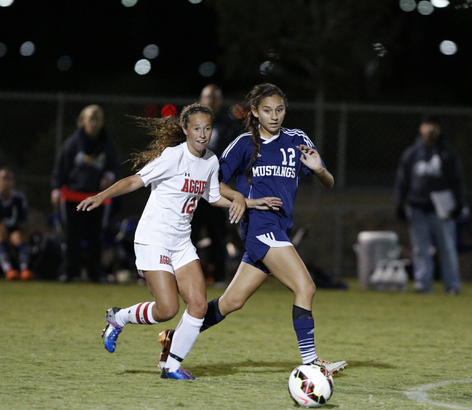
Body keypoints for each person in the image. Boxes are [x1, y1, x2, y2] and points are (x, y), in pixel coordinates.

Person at [77, 103, 280, 380]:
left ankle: (171, 365)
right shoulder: (173, 156)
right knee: (167, 309)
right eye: (196, 128)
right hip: (154, 239)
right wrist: (102, 196)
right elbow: (136, 180)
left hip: (181, 242)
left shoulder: (210, 160)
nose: (202, 134)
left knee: (197, 305)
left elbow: (211, 195)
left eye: (207, 128)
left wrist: (249, 202)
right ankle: (118, 317)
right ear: (185, 129)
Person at [158, 83, 347, 375]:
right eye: (267, 110)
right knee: (306, 287)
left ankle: (172, 340)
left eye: (280, 110)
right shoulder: (244, 144)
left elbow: (330, 183)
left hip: (279, 230)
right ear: (256, 113)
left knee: (231, 302)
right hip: (260, 230)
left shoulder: (297, 140)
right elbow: (210, 181)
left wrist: (320, 170)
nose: (275, 116)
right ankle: (312, 363)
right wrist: (244, 200)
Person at [393, 115, 468, 294]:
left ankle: (452, 285)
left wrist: (459, 203)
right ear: (421, 128)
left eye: (434, 125)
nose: (430, 129)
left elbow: (457, 181)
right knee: (420, 250)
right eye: (427, 125)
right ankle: (423, 284)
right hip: (417, 207)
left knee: (447, 248)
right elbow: (402, 181)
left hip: (441, 210)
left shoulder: (447, 154)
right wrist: (399, 204)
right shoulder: (412, 153)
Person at [51, 104, 122, 282]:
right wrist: (56, 188)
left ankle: (94, 273)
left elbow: (115, 166)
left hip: (97, 198)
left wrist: (110, 175)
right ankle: (70, 272)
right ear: (83, 121)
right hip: (73, 196)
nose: (94, 122)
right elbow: (61, 167)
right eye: (91, 118)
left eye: (97, 119)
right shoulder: (73, 143)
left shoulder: (107, 145)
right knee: (72, 236)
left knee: (95, 236)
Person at [190, 84, 243, 286]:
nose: (210, 102)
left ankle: (219, 276)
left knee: (217, 233)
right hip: (192, 189)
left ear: (219, 101)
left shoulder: (227, 126)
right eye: (207, 97)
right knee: (189, 234)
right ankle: (189, 277)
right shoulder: (191, 122)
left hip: (214, 188)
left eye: (214, 98)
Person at [0, 167, 33, 280]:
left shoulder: (19, 198)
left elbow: (23, 221)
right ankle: (8, 270)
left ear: (13, 182)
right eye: (3, 179)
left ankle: (24, 269)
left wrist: (24, 233)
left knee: (18, 237)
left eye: (9, 179)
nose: (6, 182)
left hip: (12, 230)